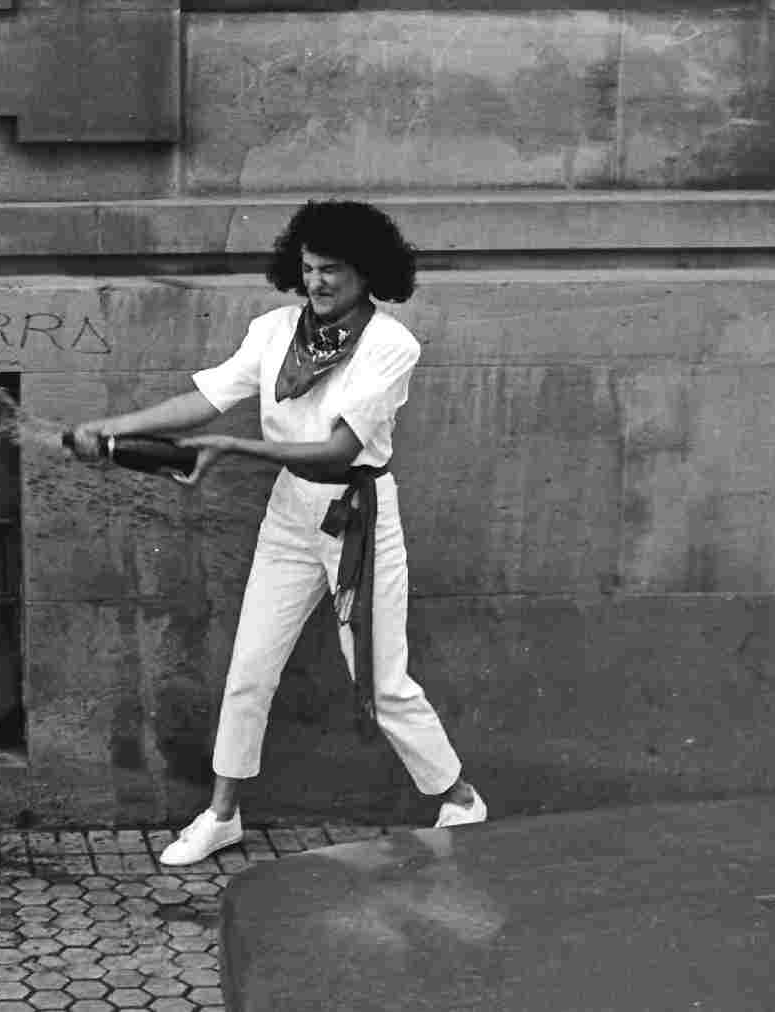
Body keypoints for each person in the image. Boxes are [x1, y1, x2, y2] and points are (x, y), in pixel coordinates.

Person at [68, 200, 486, 867]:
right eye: (310, 267)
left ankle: (460, 798)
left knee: (382, 684)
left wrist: (232, 452)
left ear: (368, 273)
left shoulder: (391, 345)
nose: (317, 283)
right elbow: (207, 401)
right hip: (291, 515)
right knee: (248, 672)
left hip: (358, 517)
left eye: (334, 271)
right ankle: (223, 814)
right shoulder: (273, 332)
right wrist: (118, 427)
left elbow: (338, 450)